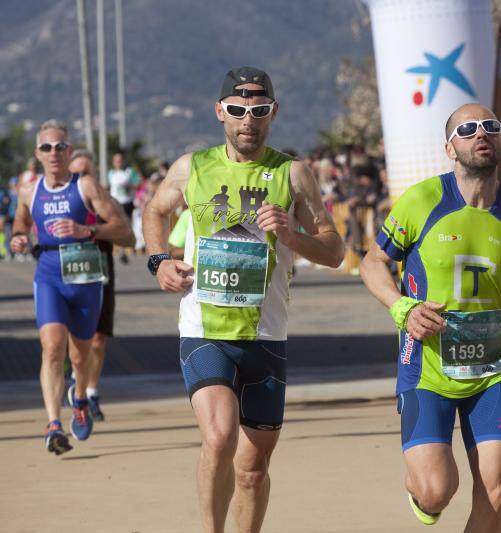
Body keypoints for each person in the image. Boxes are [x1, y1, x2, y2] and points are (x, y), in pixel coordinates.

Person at [143, 66, 343, 533]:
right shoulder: (191, 167)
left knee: (252, 470)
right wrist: (159, 262)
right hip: (204, 330)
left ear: (273, 114)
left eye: (257, 111)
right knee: (219, 437)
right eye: (236, 110)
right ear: (220, 113)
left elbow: (335, 250)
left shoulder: (293, 174)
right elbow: (155, 208)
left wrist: (292, 236)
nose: (247, 120)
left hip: (267, 336)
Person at [360, 103, 501, 531]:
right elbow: (371, 262)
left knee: (497, 490)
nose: (480, 134)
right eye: (467, 130)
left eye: (491, 126)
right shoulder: (422, 200)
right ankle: (423, 488)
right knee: (437, 490)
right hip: (427, 369)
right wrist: (403, 308)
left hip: (491, 371)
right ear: (450, 148)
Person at [10, 120, 130, 455]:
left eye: (60, 146)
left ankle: (79, 398)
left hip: (86, 277)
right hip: (49, 274)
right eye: (46, 147)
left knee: (81, 353)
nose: (53, 153)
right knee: (51, 348)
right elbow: (21, 219)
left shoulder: (86, 186)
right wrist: (19, 236)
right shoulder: (29, 190)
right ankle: (52, 425)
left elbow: (122, 229)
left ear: (68, 150)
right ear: (37, 153)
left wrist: (86, 230)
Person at [67, 150, 135, 421]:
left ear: (95, 174)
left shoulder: (106, 201)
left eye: (86, 173)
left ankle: (91, 392)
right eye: (76, 174)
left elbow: (129, 238)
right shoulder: (62, 200)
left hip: (100, 273)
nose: (81, 178)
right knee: (69, 339)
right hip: (68, 276)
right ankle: (75, 381)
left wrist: (94, 230)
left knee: (97, 339)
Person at [107, 152, 140, 263]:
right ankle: (121, 250)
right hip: (116, 203)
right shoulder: (111, 173)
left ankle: (132, 248)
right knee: (119, 225)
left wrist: (128, 186)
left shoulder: (129, 172)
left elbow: (138, 184)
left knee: (129, 225)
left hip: (128, 203)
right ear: (113, 162)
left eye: (120, 160)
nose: (118, 163)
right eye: (116, 161)